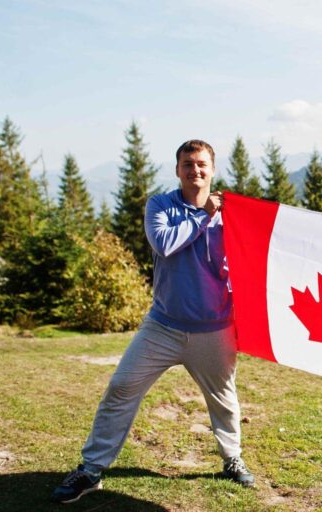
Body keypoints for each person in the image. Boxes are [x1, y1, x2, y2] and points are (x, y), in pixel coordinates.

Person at [52, 139, 254, 504]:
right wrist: (203, 215)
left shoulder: (230, 214)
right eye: (188, 164)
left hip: (215, 329)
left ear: (213, 168)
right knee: (121, 387)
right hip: (162, 326)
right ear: (177, 170)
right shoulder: (160, 205)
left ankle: (232, 460)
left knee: (224, 401)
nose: (195, 170)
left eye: (202, 164)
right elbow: (164, 244)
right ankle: (91, 470)